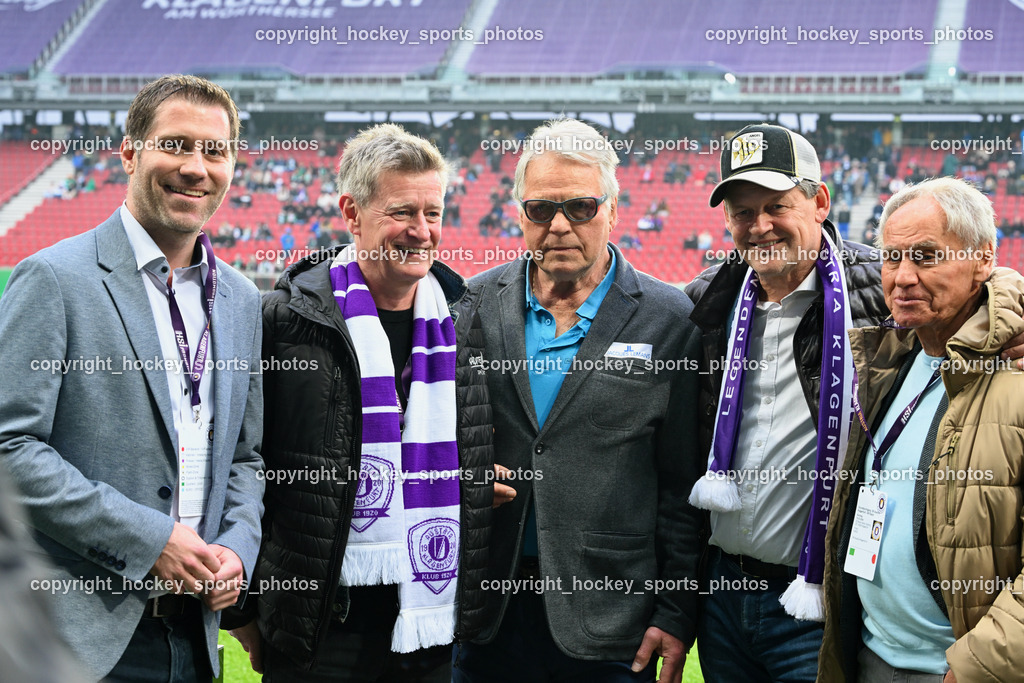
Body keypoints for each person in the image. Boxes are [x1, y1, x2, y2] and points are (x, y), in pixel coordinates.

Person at [224, 123, 514, 682]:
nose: (422, 230)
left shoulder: (460, 320)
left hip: (426, 621)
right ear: (352, 214)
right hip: (318, 628)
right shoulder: (287, 321)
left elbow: (455, 448)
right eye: (402, 212)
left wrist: (474, 480)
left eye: (433, 213)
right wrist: (245, 610)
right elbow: (244, 462)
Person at [0, 74, 265, 681]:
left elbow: (248, 458)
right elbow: (10, 449)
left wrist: (236, 549)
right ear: (129, 152)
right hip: (78, 639)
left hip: (195, 638)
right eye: (175, 144)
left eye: (214, 151)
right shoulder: (55, 278)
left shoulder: (242, 300)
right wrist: (151, 541)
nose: (195, 167)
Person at [452, 118, 703, 683]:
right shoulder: (472, 305)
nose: (560, 226)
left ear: (614, 210)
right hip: (486, 610)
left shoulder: (672, 321)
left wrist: (676, 609)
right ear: (519, 213)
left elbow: (684, 486)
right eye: (541, 209)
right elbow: (440, 435)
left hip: (615, 620)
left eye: (581, 208)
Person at [685, 123, 892, 683]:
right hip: (724, 592)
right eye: (742, 212)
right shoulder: (709, 300)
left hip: (822, 594)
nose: (760, 226)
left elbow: (971, 287)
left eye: (777, 205)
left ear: (819, 201)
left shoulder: (880, 290)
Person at [818, 178, 1024, 682]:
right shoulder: (889, 359)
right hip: (870, 655)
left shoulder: (1015, 373)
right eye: (891, 257)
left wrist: (978, 666)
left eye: (926, 256)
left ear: (982, 259)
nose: (903, 277)